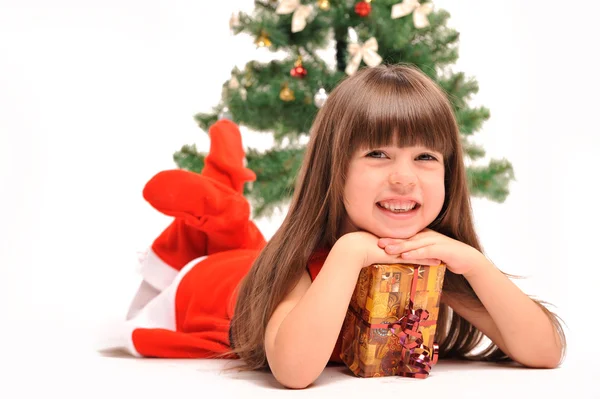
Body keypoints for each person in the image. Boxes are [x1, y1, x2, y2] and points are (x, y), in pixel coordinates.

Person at [99, 64, 566, 389]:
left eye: (425, 157)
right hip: (209, 284)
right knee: (227, 241)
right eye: (378, 154)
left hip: (264, 263)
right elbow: (295, 371)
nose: (403, 177)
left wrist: (475, 267)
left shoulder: (433, 261)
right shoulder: (301, 263)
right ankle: (218, 198)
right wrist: (349, 253)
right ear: (334, 170)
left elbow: (545, 352)